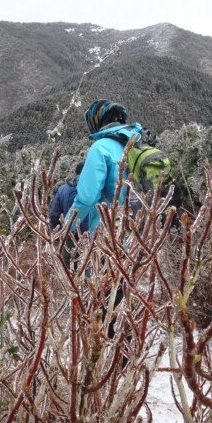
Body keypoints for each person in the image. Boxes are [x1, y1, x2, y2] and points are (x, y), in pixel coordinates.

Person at [67, 99, 144, 341]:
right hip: (136, 235)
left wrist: (67, 225)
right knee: (123, 295)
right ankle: (126, 348)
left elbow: (87, 197)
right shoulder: (135, 145)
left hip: (107, 235)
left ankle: (108, 351)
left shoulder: (100, 148)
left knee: (105, 298)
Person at [66, 99, 145, 233]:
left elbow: (87, 198)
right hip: (147, 230)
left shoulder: (100, 148)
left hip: (113, 231)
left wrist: (65, 230)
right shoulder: (140, 142)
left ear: (96, 122)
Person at [49, 162, 84, 231]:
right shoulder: (96, 190)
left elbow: (54, 215)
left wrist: (55, 231)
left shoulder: (63, 189)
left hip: (67, 232)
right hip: (92, 234)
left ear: (75, 173)